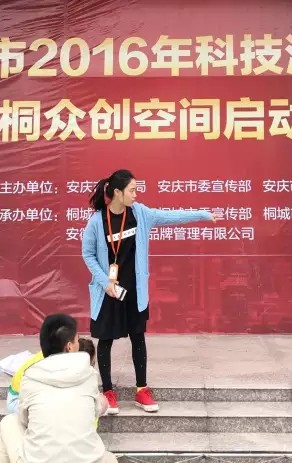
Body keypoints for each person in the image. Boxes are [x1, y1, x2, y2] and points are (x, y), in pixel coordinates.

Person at [82, 169, 215, 415]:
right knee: (105, 340)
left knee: (138, 338)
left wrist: (202, 215)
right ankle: (108, 391)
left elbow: (171, 216)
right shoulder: (97, 221)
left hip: (134, 290)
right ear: (117, 192)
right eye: (132, 190)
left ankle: (141, 389)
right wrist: (105, 283)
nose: (136, 194)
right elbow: (88, 254)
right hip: (108, 291)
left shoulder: (140, 214)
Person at [0, 314, 116, 463]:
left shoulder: (29, 378)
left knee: (9, 422)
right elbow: (96, 410)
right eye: (77, 340)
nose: (79, 344)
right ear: (69, 347)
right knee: (109, 458)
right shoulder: (89, 375)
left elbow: (25, 420)